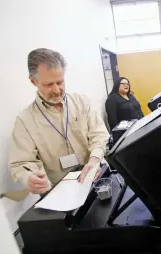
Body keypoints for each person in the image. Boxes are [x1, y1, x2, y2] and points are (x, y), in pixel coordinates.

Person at [8, 48, 110, 195]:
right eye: (49, 85)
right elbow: (21, 163)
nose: (57, 90)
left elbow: (99, 134)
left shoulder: (82, 102)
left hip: (97, 178)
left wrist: (94, 160)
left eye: (60, 82)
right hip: (60, 193)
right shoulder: (25, 121)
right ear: (33, 81)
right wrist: (29, 177)